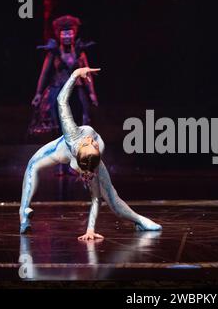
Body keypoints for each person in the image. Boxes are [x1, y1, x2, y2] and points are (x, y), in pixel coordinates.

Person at [20, 67, 162, 240]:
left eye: (93, 144)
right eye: (93, 144)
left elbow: (96, 199)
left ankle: (140, 220)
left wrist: (90, 230)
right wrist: (74, 75)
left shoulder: (85, 154)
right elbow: (60, 101)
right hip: (62, 150)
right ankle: (24, 213)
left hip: (70, 154)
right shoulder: (81, 146)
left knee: (112, 200)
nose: (93, 141)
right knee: (33, 165)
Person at [29, 15, 98, 135]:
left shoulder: (79, 53)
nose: (67, 36)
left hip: (77, 90)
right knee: (60, 122)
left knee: (78, 120)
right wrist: (38, 93)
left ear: (74, 34)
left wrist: (92, 93)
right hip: (58, 91)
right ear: (59, 35)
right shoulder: (53, 53)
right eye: (64, 34)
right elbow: (44, 74)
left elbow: (87, 75)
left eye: (69, 33)